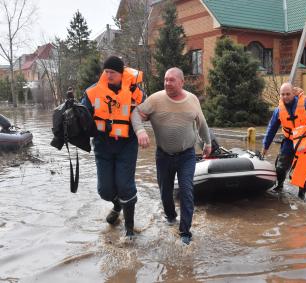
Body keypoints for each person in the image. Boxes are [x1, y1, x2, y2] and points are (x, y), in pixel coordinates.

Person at [131, 67, 211, 245]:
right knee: (165, 193)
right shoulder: (155, 99)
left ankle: (185, 233)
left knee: (186, 191)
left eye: (172, 80)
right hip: (163, 155)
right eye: (166, 79)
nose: (167, 83)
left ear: (182, 82)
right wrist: (140, 130)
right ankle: (170, 217)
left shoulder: (192, 100)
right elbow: (136, 113)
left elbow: (202, 123)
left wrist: (208, 143)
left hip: (187, 155)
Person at [81, 56, 144, 238]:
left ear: (121, 73)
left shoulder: (135, 92)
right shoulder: (92, 93)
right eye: (106, 72)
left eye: (113, 72)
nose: (109, 75)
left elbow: (145, 112)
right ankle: (118, 206)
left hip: (127, 144)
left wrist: (142, 131)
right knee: (105, 190)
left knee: (125, 186)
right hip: (103, 145)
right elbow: (83, 116)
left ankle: (129, 231)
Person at [261, 82, 306, 200]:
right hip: (289, 141)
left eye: (287, 94)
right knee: (280, 167)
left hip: (304, 140)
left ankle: (301, 195)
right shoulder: (279, 110)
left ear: (293, 93)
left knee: (303, 170)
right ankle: (279, 186)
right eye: (282, 94)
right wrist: (265, 147)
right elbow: (271, 129)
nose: (285, 97)